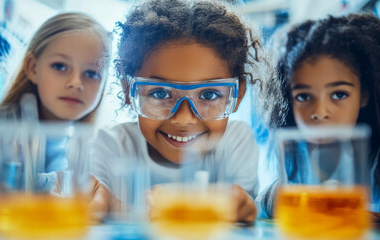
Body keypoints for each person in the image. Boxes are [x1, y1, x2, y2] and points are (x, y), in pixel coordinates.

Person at [89, 0, 274, 223]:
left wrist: (241, 206)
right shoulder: (112, 145)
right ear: (128, 89)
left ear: (238, 95)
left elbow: (243, 210)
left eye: (208, 95)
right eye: (159, 93)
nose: (184, 118)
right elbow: (93, 208)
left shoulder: (236, 141)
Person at [0, 12, 111, 216]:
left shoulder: (80, 146)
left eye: (91, 73)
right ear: (33, 68)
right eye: (60, 66)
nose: (76, 83)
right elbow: (21, 184)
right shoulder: (5, 123)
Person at [260, 13, 380, 224]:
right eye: (303, 96)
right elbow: (262, 202)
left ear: (365, 96)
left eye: (339, 94)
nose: (320, 111)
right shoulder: (296, 153)